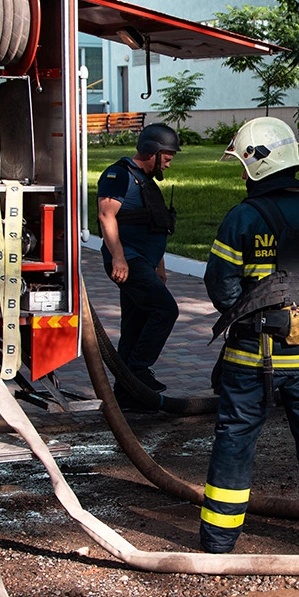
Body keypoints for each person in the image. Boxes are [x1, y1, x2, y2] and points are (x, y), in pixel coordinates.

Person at [199, 116, 299, 555]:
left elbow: (221, 289)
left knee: (234, 442)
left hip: (250, 360)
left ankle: (217, 544)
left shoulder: (242, 219)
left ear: (255, 165)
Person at [96, 123, 181, 411]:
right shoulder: (118, 175)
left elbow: (155, 225)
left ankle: (128, 392)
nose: (168, 164)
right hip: (128, 261)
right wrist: (118, 257)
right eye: (167, 158)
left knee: (134, 324)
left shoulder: (146, 182)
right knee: (165, 310)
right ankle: (139, 370)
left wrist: (161, 265)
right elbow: (106, 216)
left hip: (143, 261)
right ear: (152, 152)